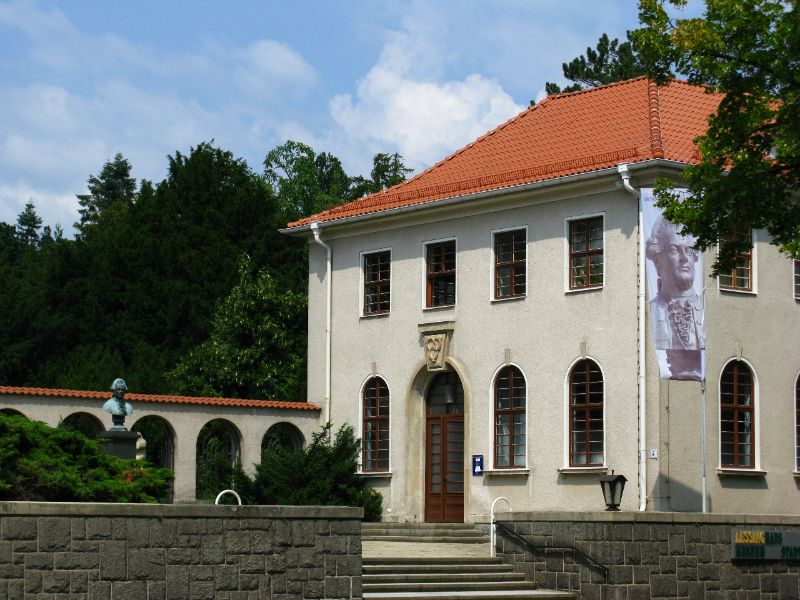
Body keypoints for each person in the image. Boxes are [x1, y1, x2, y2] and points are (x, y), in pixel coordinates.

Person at [645, 216, 704, 379]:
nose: (685, 258)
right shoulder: (649, 312)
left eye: (689, 250)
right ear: (657, 262)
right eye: (674, 249)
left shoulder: (707, 311)